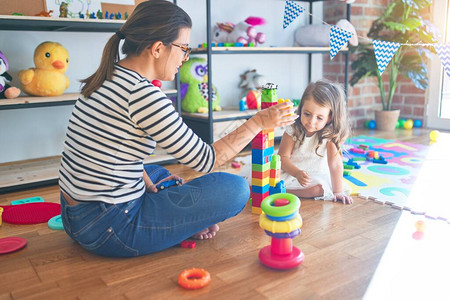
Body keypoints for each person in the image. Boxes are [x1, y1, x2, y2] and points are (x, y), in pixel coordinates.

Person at [58, 0, 297, 257]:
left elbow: (113, 150)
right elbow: (207, 160)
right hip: (110, 228)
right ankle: (178, 224)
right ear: (158, 48)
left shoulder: (107, 77)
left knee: (159, 174)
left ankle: (176, 222)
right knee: (235, 189)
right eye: (184, 48)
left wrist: (150, 185)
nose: (185, 57)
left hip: (75, 215)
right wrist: (259, 122)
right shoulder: (143, 94)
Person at [278, 79, 353, 204]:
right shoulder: (293, 129)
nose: (311, 122)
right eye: (307, 114)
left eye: (319, 118)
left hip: (315, 176)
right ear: (301, 108)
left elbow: (335, 165)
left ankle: (282, 191)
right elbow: (282, 157)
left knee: (319, 190)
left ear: (330, 118)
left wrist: (338, 192)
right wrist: (296, 173)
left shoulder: (329, 136)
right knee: (264, 179)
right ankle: (280, 189)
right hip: (291, 172)